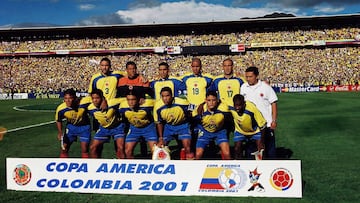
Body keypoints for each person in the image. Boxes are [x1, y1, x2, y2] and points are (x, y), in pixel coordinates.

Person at [241, 66, 278, 159]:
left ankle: (270, 169)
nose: (248, 79)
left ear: (256, 76)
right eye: (247, 77)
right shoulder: (244, 87)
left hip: (266, 123)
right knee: (251, 150)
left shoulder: (265, 87)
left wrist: (273, 120)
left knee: (269, 150)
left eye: (250, 76)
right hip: (251, 125)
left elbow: (273, 103)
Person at [117, 60, 151, 157]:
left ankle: (144, 155)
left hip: (140, 110)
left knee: (143, 138)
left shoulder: (142, 80)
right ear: (126, 70)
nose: (132, 71)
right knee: (123, 133)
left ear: (136, 70)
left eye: (133, 69)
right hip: (126, 111)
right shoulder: (121, 81)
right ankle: (121, 156)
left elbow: (148, 94)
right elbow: (119, 95)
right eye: (129, 69)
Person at [154, 87, 192, 160]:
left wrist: (189, 125)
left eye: (167, 96)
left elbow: (191, 113)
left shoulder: (182, 102)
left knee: (187, 148)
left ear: (172, 96)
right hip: (169, 127)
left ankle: (188, 165)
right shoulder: (158, 106)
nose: (165, 98)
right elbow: (159, 123)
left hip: (182, 125)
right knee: (160, 147)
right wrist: (161, 138)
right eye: (163, 96)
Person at [192, 91, 232, 160]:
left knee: (227, 154)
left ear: (217, 100)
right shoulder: (200, 110)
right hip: (205, 131)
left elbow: (229, 119)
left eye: (213, 100)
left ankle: (229, 169)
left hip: (219, 131)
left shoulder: (223, 108)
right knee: (198, 154)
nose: (211, 102)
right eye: (209, 100)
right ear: (205, 100)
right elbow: (194, 120)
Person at [87, 89, 126, 159]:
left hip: (117, 127)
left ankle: (121, 166)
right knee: (93, 147)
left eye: (97, 98)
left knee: (120, 148)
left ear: (102, 97)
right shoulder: (90, 108)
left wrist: (105, 101)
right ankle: (95, 167)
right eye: (93, 98)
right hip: (103, 128)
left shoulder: (112, 103)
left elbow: (126, 99)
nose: (95, 100)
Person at [119, 90, 158, 159]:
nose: (130, 102)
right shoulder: (123, 106)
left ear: (139, 99)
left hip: (148, 128)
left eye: (133, 99)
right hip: (134, 128)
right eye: (128, 100)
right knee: (128, 151)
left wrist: (145, 98)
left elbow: (160, 102)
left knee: (155, 151)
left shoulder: (147, 104)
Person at [55, 89, 91, 158]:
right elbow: (58, 120)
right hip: (71, 127)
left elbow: (95, 98)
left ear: (74, 98)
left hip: (84, 127)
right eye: (66, 98)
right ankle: (63, 166)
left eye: (70, 98)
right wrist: (60, 132)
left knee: (85, 149)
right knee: (64, 148)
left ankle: (86, 167)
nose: (67, 100)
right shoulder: (61, 108)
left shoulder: (83, 102)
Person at [230, 94, 266, 159]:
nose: (237, 108)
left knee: (261, 149)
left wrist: (262, 141)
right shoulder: (230, 107)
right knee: (237, 148)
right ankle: (240, 165)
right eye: (236, 105)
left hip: (255, 131)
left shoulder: (252, 109)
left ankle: (261, 165)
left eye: (239, 105)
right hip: (240, 131)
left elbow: (263, 126)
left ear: (244, 104)